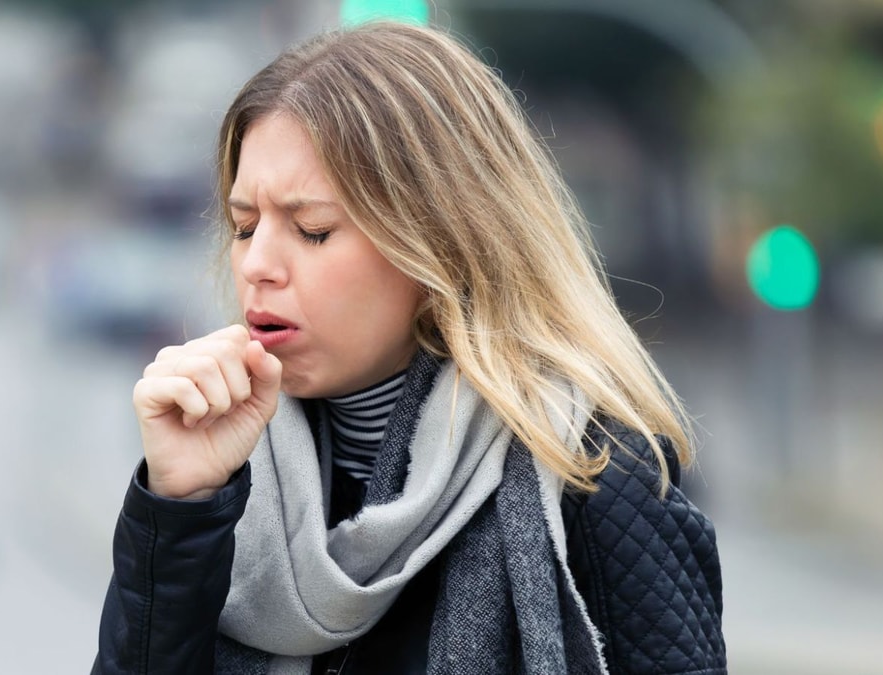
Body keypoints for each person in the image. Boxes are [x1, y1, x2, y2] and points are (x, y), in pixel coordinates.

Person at [90, 20, 724, 675]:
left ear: (440, 243)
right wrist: (180, 507)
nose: (257, 264)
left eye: (312, 230)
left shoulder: (596, 482)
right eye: (246, 225)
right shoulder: (226, 481)